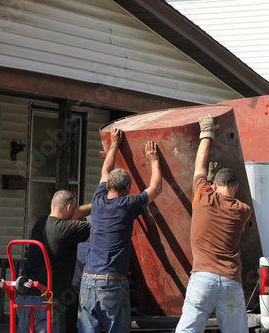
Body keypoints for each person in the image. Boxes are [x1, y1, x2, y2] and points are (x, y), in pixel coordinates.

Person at [78, 128, 162, 333]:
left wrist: (114, 145)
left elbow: (105, 172)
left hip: (88, 281)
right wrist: (154, 160)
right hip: (111, 284)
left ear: (108, 187)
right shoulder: (128, 204)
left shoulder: (98, 199)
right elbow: (156, 188)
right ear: (127, 189)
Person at [175, 114, 252, 333]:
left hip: (202, 279)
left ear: (213, 185)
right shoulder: (243, 211)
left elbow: (199, 165)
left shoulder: (202, 196)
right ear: (236, 188)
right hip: (230, 281)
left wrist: (206, 131)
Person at [16, 190, 92, 333]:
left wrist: (91, 207)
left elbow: (72, 215)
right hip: (45, 298)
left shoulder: (41, 223)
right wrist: (103, 205)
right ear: (69, 208)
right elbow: (101, 225)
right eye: (74, 208)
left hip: (25, 295)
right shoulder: (67, 229)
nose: (75, 211)